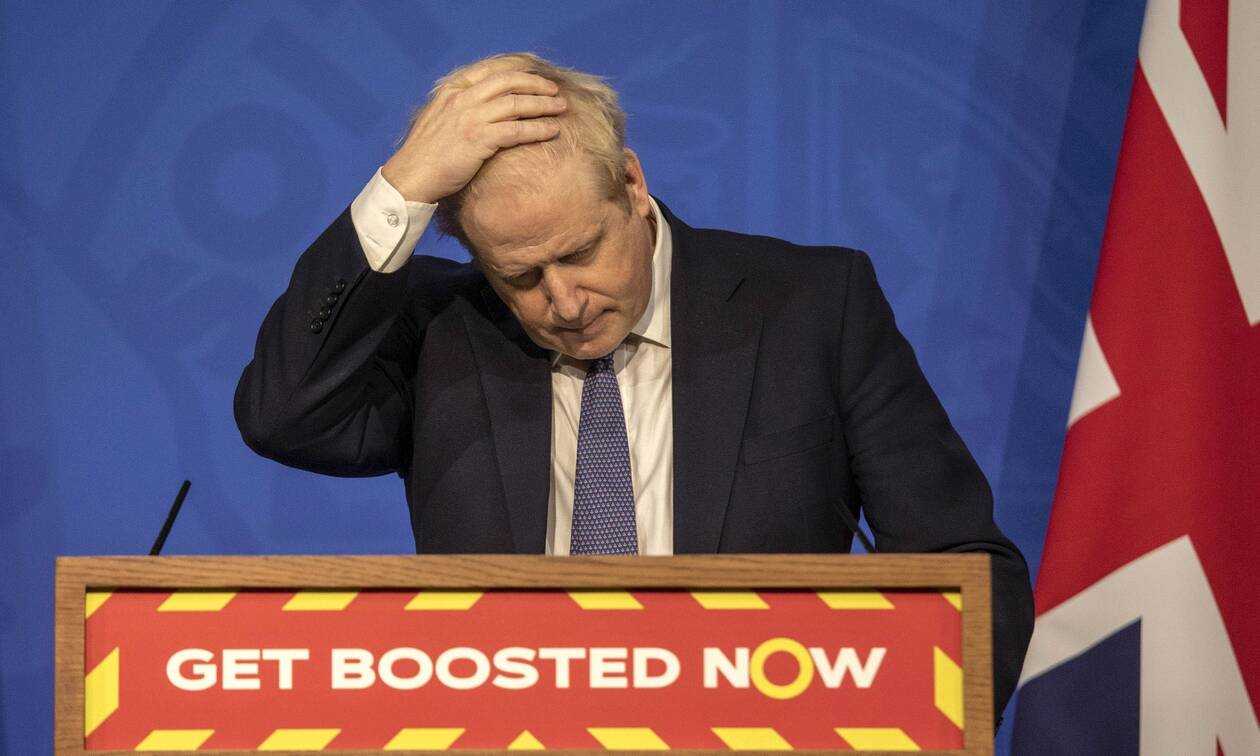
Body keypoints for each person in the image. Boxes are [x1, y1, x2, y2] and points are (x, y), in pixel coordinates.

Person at [233, 52, 1034, 724]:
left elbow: (967, 567)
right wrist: (401, 185)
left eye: (580, 252)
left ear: (632, 184)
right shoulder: (442, 335)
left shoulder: (811, 307)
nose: (564, 301)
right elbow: (282, 414)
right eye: (520, 276)